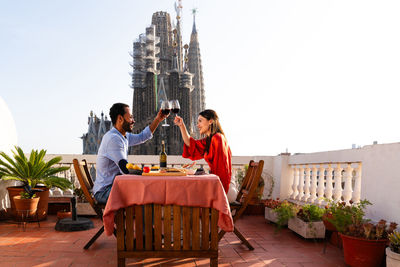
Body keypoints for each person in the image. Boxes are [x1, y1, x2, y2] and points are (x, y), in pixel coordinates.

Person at [93, 103, 168, 204]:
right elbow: (125, 168)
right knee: (145, 192)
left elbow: (142, 136)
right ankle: (144, 220)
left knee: (147, 191)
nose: (133, 121)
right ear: (120, 118)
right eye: (131, 117)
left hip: (114, 186)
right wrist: (148, 172)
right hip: (105, 191)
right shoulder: (113, 139)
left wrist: (158, 119)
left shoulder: (122, 136)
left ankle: (144, 219)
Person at [174, 109, 232, 193]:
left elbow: (223, 170)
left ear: (210, 121)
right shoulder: (209, 139)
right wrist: (181, 125)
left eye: (200, 121)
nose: (198, 125)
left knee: (187, 191)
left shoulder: (218, 138)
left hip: (224, 186)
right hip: (217, 182)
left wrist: (218, 193)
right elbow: (191, 144)